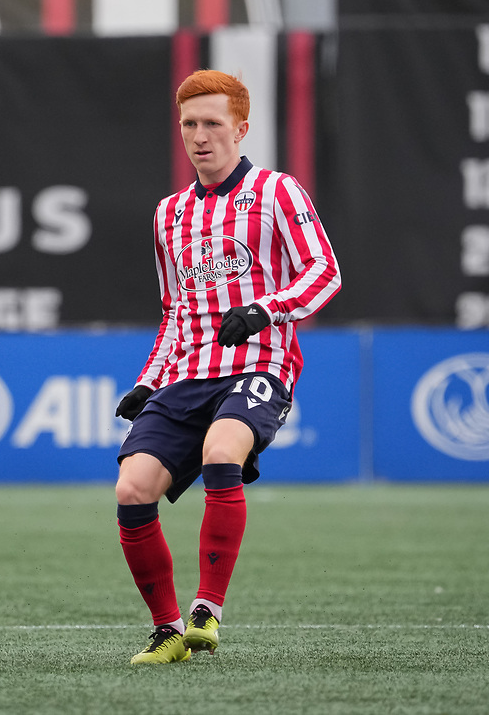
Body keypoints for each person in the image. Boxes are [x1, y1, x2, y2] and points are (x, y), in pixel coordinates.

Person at [114, 69, 341, 665]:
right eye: (189, 123)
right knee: (131, 489)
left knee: (222, 451)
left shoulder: (277, 191)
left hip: (259, 363)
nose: (199, 135)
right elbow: (174, 309)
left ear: (241, 128)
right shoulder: (169, 214)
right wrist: (147, 381)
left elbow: (324, 272)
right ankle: (167, 632)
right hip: (188, 373)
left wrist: (264, 310)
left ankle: (206, 611)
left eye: (212, 123)